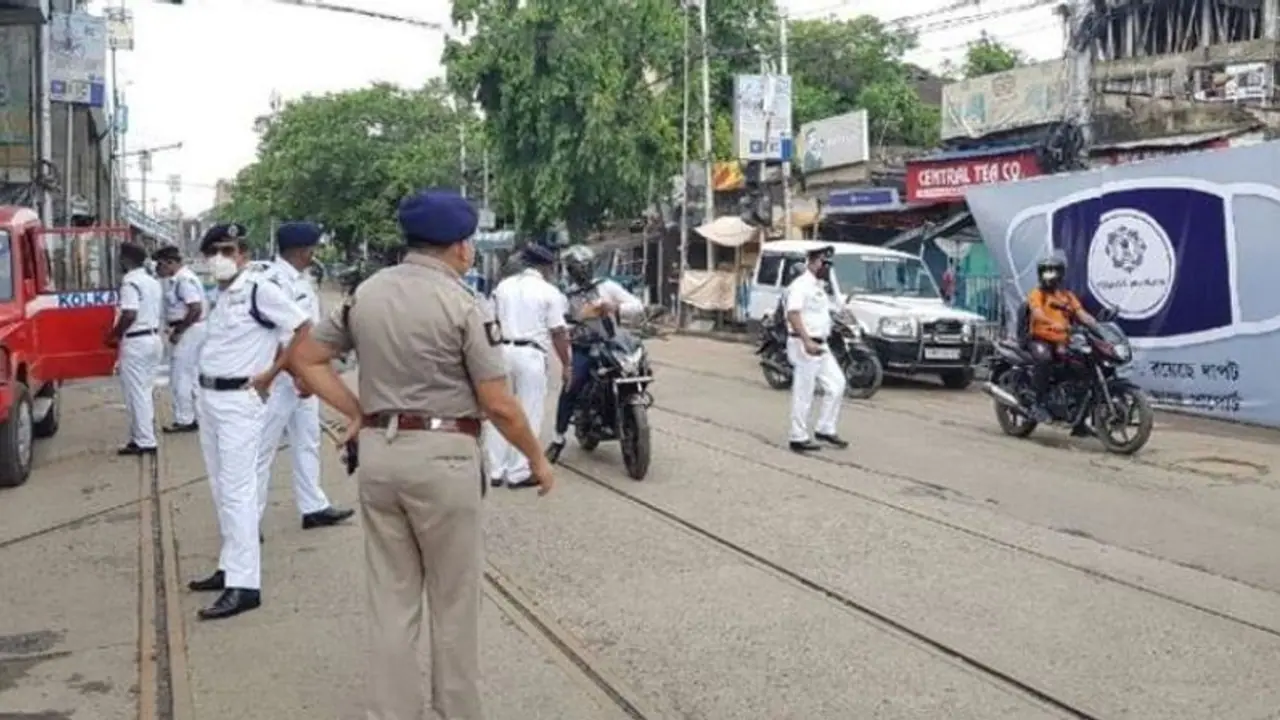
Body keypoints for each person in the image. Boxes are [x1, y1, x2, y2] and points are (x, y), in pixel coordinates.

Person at [286, 188, 554, 720]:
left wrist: (358, 411)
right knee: (455, 604)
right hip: (445, 460)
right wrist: (537, 459)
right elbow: (499, 404)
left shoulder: (365, 294)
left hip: (380, 460)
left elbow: (306, 359)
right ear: (459, 247)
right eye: (470, 242)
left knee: (391, 600)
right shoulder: (463, 304)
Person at [186, 222, 312, 621]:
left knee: (239, 491)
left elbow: (304, 327)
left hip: (240, 400)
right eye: (214, 252)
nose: (220, 258)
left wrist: (274, 372)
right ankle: (229, 566)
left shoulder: (260, 289)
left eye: (228, 250)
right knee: (221, 486)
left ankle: (245, 585)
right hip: (209, 398)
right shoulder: (221, 295)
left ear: (243, 253)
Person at [254, 222, 354, 532]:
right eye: (313, 248)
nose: (316, 254)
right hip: (280, 376)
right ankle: (248, 521)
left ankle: (314, 506)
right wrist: (297, 371)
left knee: (307, 440)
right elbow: (280, 335)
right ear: (300, 250)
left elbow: (314, 330)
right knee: (261, 450)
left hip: (305, 375)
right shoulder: (271, 282)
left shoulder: (303, 281)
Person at [545, 244, 643, 462]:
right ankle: (558, 438)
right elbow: (557, 323)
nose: (582, 271)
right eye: (577, 267)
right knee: (572, 385)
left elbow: (637, 305)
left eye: (585, 266)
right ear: (570, 270)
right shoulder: (565, 295)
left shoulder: (607, 286)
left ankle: (625, 413)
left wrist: (614, 308)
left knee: (637, 368)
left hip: (611, 345)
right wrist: (577, 318)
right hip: (583, 348)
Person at [484, 243, 571, 488]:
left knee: (499, 411)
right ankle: (520, 472)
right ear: (546, 267)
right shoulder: (548, 291)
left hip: (502, 351)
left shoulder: (503, 287)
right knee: (529, 412)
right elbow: (558, 332)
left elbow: (491, 323)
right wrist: (566, 364)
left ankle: (495, 469)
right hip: (531, 355)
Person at [784, 245, 848, 453]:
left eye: (828, 263)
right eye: (822, 262)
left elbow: (828, 312)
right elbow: (793, 314)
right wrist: (806, 341)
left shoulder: (820, 286)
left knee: (837, 385)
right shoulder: (800, 285)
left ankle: (825, 428)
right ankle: (798, 436)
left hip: (822, 344)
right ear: (811, 262)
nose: (825, 266)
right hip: (804, 344)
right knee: (804, 392)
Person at [1026, 253, 1097, 426]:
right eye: (1046, 271)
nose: (1050, 276)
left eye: (1054, 271)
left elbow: (1082, 314)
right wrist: (1052, 323)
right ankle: (1037, 403)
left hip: (1063, 341)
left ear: (1061, 274)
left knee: (1081, 367)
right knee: (1044, 359)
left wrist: (1097, 325)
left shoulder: (1067, 296)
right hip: (1040, 339)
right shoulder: (1037, 294)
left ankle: (1078, 417)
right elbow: (1037, 313)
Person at [108, 242, 164, 456]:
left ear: (126, 260)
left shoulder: (130, 283)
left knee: (136, 392)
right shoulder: (151, 281)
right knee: (144, 390)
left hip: (136, 341)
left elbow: (129, 313)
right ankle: (141, 436)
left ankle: (145, 441)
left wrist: (114, 334)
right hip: (152, 338)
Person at [153, 245, 207, 433]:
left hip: (189, 330)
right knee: (192, 376)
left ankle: (185, 419)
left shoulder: (183, 280)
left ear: (171, 262)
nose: (158, 269)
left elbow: (195, 308)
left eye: (160, 264)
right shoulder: (180, 279)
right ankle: (196, 416)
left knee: (180, 377)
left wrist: (179, 331)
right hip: (193, 329)